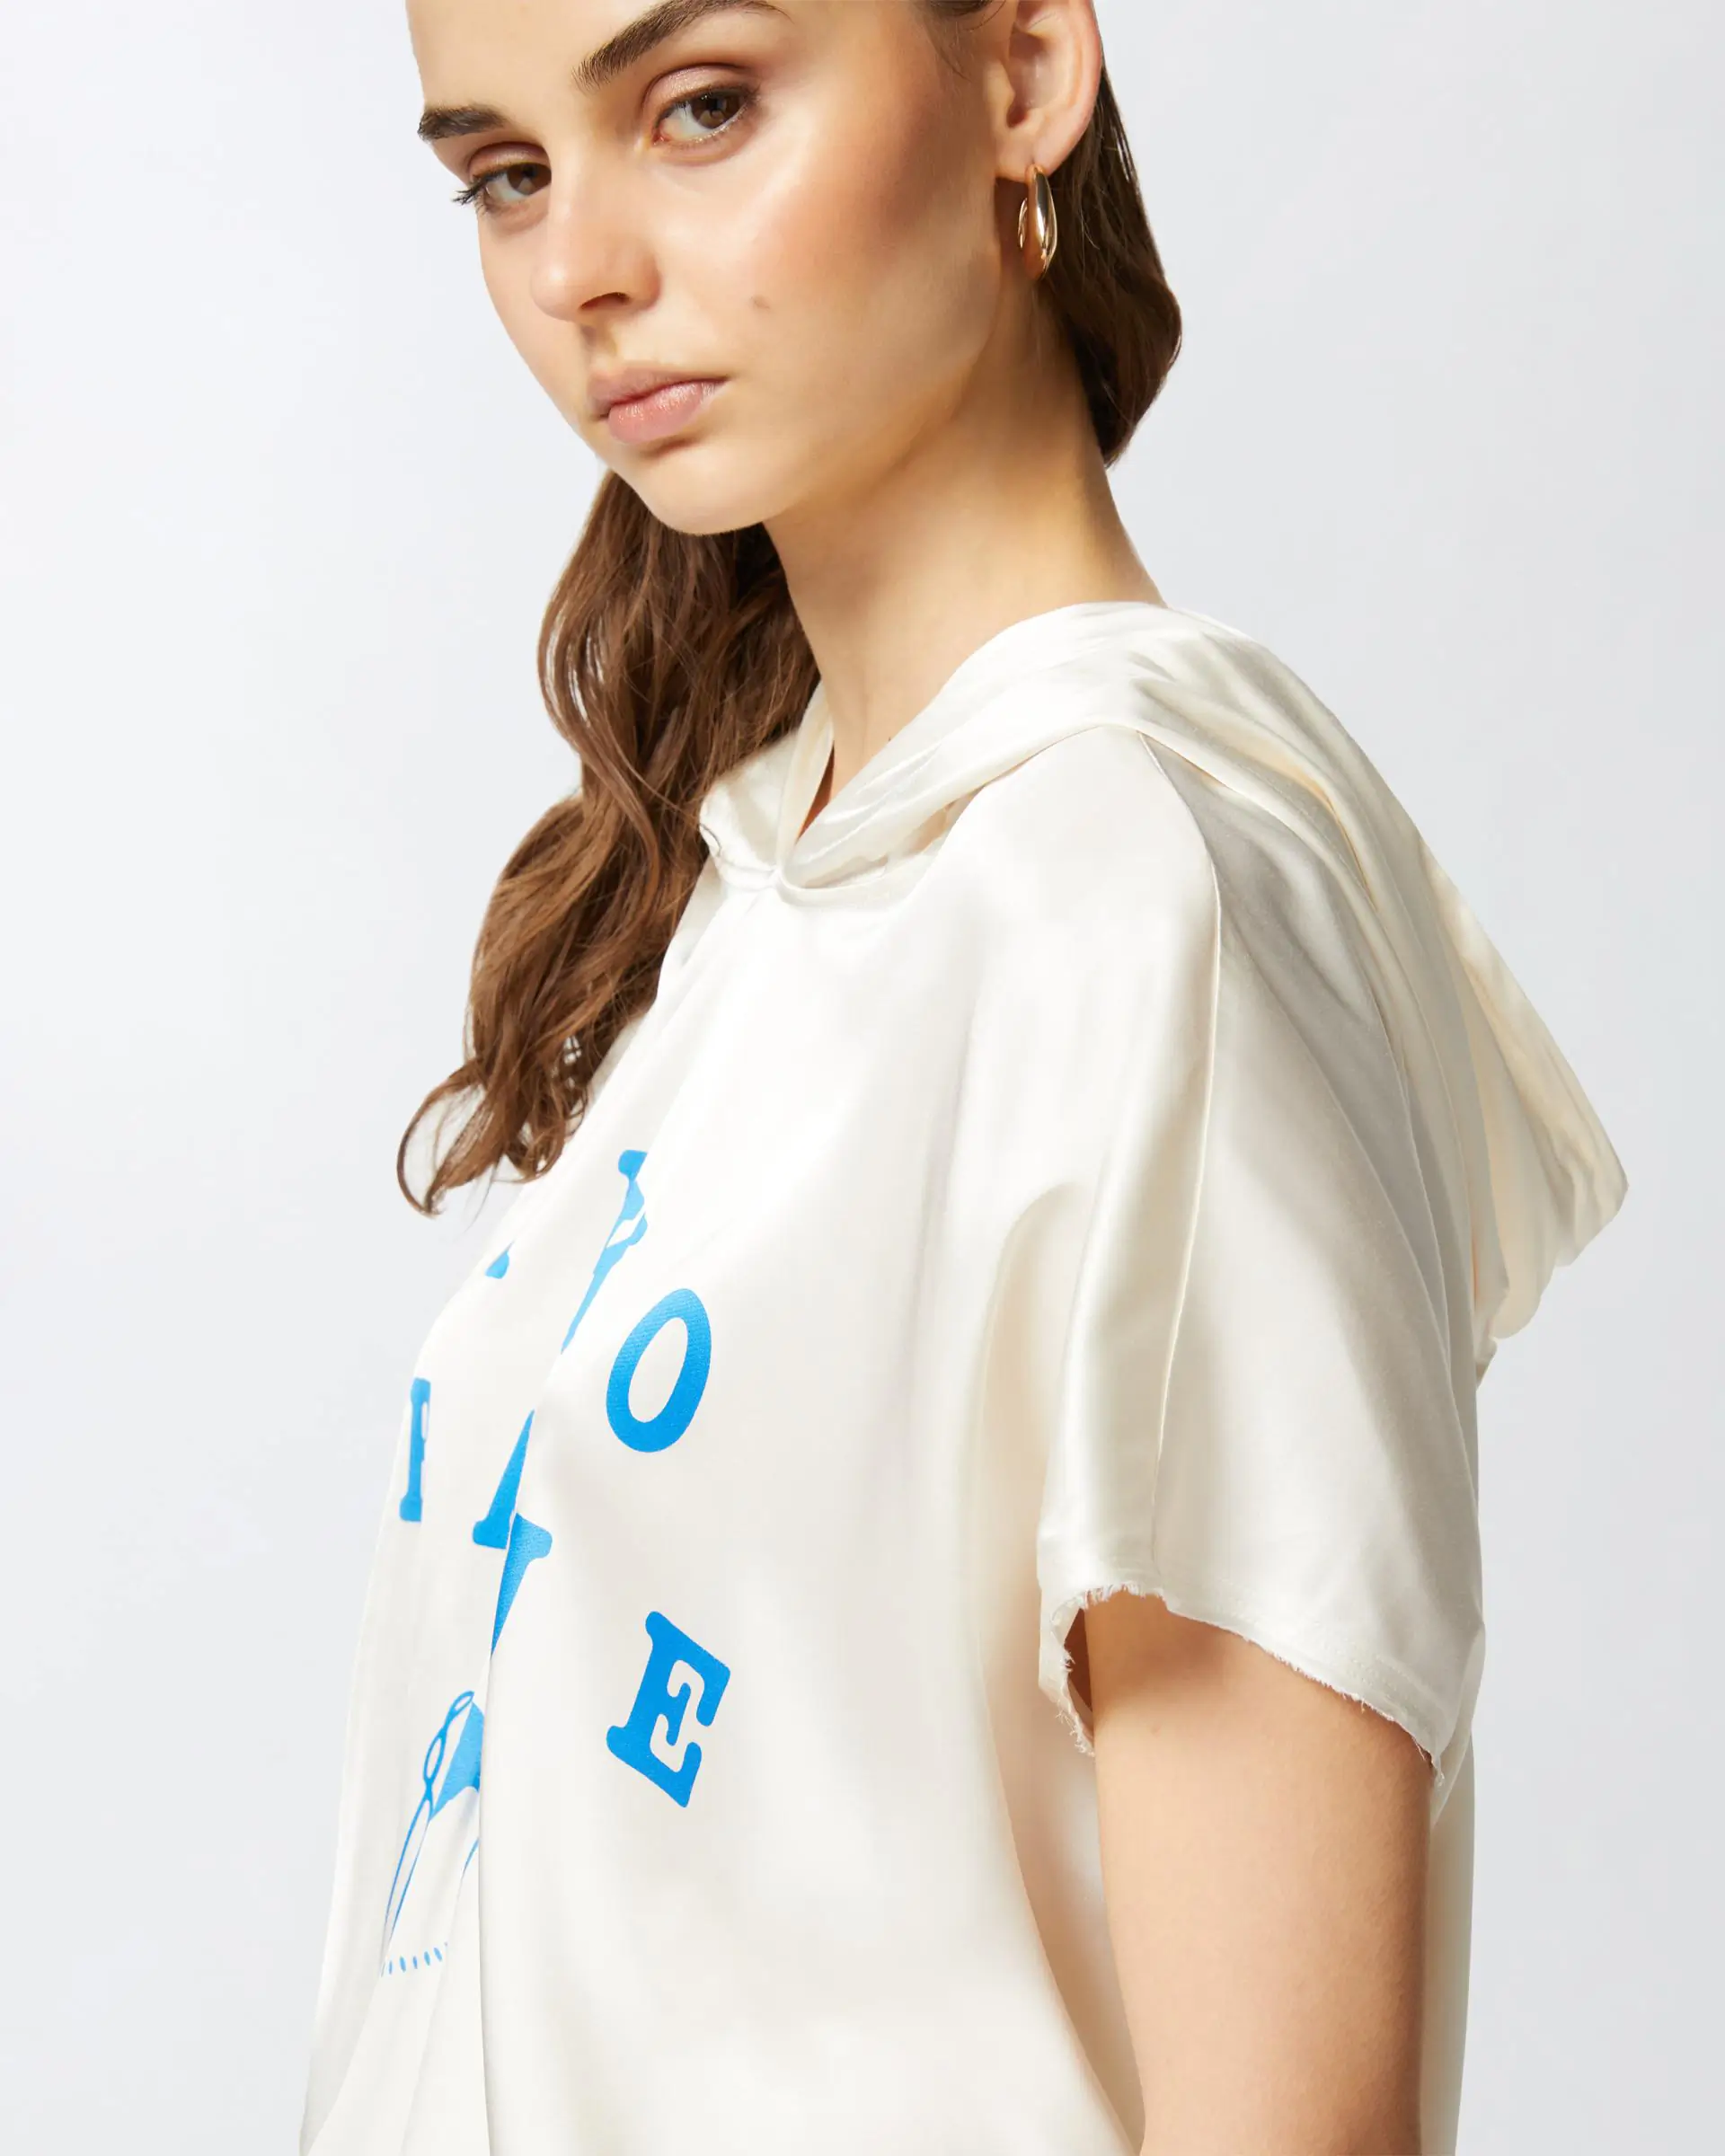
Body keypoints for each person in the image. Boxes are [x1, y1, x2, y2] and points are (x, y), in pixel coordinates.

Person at [297, 4, 1627, 2152]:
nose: (582, 271)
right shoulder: (765, 889)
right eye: (507, 175)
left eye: (701, 108)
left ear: (1021, 72)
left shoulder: (1140, 912)